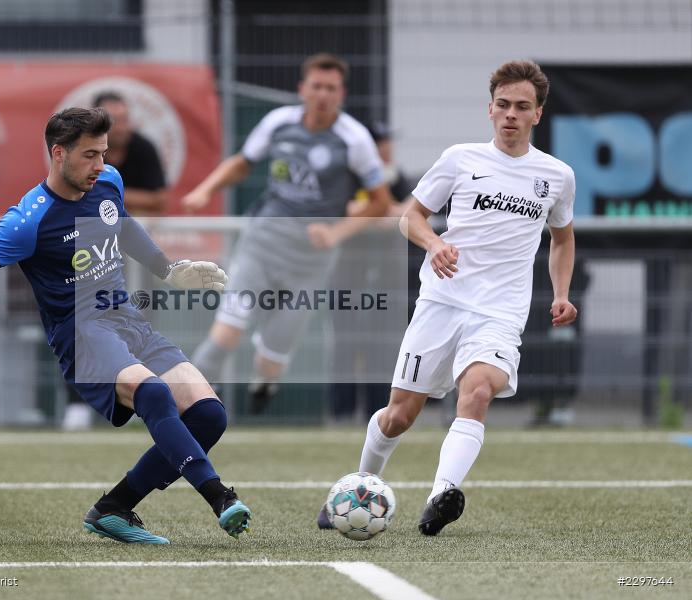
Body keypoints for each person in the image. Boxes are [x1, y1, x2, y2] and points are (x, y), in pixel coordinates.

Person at [0, 107, 251, 545]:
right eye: (89, 155)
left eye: (103, 153)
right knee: (152, 392)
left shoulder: (108, 183)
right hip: (82, 335)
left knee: (210, 415)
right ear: (58, 154)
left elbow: (122, 224)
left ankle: (113, 508)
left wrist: (167, 269)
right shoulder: (28, 221)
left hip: (127, 321)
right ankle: (219, 496)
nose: (100, 165)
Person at [318, 60, 577, 534]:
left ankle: (442, 495)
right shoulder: (461, 158)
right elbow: (410, 216)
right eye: (503, 105)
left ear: (538, 114)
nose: (511, 115)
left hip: (500, 312)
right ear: (490, 109)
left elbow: (562, 238)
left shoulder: (556, 176)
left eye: (522, 107)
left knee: (476, 392)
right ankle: (360, 484)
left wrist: (561, 292)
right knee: (399, 415)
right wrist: (435, 244)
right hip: (441, 302)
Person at [182, 53, 395, 414]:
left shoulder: (354, 140)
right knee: (226, 332)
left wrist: (337, 233)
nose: (323, 94)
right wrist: (205, 189)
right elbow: (241, 162)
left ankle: (265, 381)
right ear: (302, 89)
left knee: (274, 354)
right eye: (316, 86)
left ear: (341, 94)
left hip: (311, 259)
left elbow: (381, 202)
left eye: (331, 88)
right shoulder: (278, 123)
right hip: (262, 242)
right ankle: (188, 408)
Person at [61, 91, 170, 430]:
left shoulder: (141, 151)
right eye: (112, 118)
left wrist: (110, 196)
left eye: (123, 118)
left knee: (136, 325)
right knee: (81, 329)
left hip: (131, 258)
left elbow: (158, 200)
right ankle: (77, 405)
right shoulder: (76, 156)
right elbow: (69, 193)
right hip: (88, 256)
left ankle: (142, 399)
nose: (119, 126)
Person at [328, 122, 413, 423]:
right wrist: (377, 212)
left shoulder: (398, 177)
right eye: (381, 143)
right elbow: (346, 209)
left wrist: (376, 211)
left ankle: (377, 411)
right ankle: (341, 413)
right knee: (347, 342)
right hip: (349, 274)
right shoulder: (351, 177)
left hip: (388, 276)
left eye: (388, 142)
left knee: (384, 344)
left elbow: (407, 213)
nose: (387, 148)